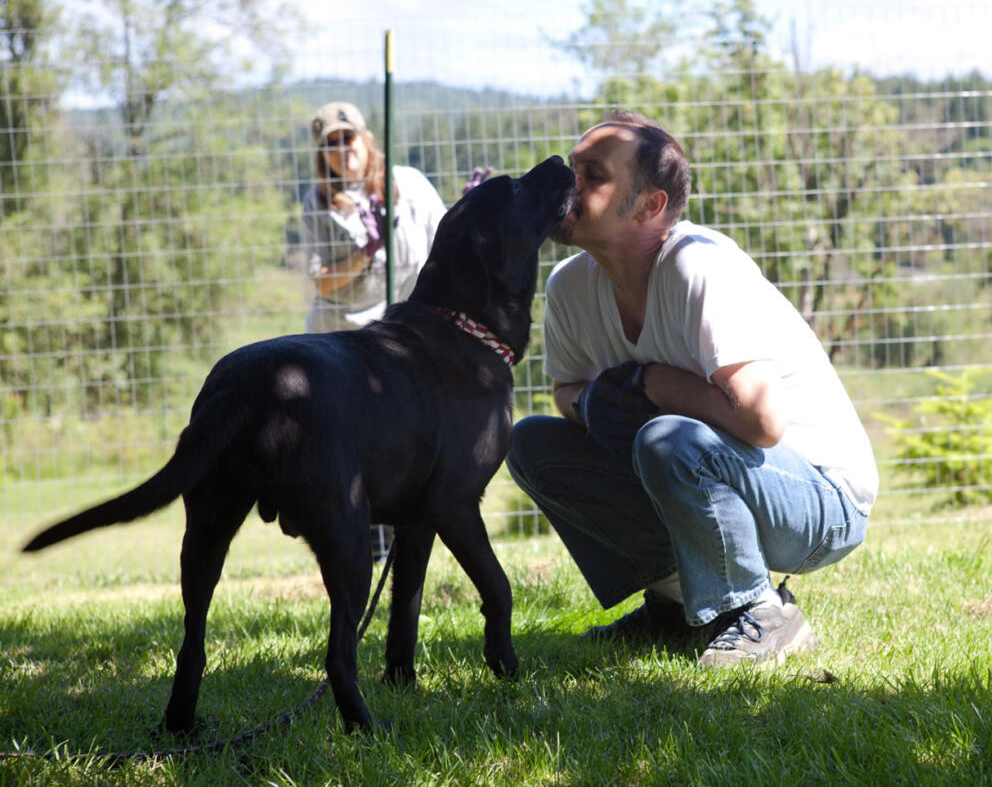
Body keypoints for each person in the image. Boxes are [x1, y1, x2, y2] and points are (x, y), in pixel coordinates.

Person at [506, 111, 878, 669]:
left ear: (650, 206)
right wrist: (588, 404)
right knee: (531, 443)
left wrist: (658, 385)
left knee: (668, 438)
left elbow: (762, 423)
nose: (568, 185)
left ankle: (759, 611)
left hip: (822, 501)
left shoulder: (697, 265)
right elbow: (566, 389)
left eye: (593, 175)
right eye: (571, 168)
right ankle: (676, 606)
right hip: (720, 469)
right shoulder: (568, 285)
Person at [300, 101, 447, 563]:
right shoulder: (318, 203)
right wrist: (365, 253)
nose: (344, 149)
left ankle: (410, 541)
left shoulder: (410, 186)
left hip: (405, 340)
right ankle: (361, 547)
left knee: (408, 442)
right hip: (343, 344)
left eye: (349, 138)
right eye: (331, 144)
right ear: (321, 154)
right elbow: (321, 279)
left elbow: (445, 242)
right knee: (352, 448)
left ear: (367, 140)